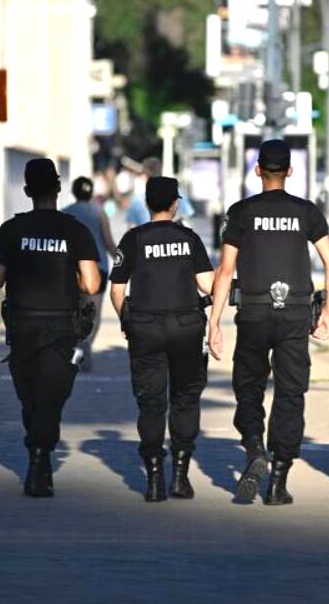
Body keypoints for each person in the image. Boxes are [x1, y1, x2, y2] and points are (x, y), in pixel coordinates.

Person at [208, 139, 329, 506]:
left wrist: (213, 322)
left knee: (248, 387)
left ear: (258, 171)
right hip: (295, 313)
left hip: (253, 311)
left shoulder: (241, 212)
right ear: (290, 171)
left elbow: (225, 270)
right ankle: (278, 481)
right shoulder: (307, 212)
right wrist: (327, 313)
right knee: (290, 393)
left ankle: (255, 449)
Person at [0, 158, 101, 498]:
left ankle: (38, 451)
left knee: (31, 396)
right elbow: (92, 284)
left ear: (27, 191)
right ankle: (40, 455)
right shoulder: (75, 230)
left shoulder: (12, 229)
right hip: (62, 326)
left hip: (22, 325)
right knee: (51, 394)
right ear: (58, 188)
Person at [109, 176, 215, 502]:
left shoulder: (133, 239)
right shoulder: (189, 238)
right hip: (186, 327)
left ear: (147, 203)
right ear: (175, 204)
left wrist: (127, 320)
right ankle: (180, 476)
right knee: (185, 398)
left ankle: (154, 477)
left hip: (146, 328)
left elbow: (117, 291)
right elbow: (208, 285)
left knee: (151, 403)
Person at [63, 176, 118, 372]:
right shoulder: (99, 212)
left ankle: (75, 347)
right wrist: (123, 262)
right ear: (91, 192)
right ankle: (85, 343)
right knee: (93, 312)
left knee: (73, 310)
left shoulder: (66, 213)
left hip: (71, 268)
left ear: (74, 191)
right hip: (98, 267)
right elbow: (109, 242)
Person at [125, 157, 196, 229]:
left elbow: (131, 228)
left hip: (148, 235)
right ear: (161, 172)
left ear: (144, 176)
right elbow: (188, 220)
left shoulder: (137, 200)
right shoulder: (176, 192)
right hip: (175, 234)